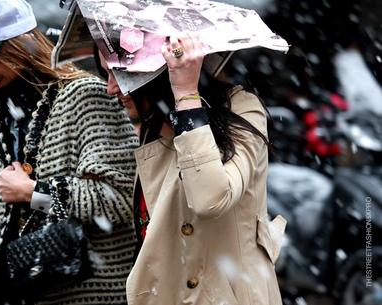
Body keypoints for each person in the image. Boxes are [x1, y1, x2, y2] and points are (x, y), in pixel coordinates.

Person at [0, 0, 138, 304]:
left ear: (18, 50)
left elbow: (121, 200)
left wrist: (35, 193)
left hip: (89, 294)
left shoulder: (85, 97)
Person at [96, 32, 287, 305]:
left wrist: (186, 96)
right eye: (107, 74)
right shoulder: (152, 126)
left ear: (156, 71)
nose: (111, 89)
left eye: (120, 73)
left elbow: (210, 200)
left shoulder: (242, 108)